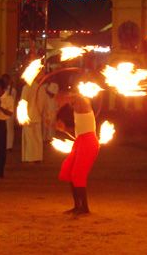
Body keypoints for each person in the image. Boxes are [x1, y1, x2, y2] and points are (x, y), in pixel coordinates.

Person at [54, 85, 99, 215]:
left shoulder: (84, 102)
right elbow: (78, 132)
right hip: (80, 142)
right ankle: (77, 206)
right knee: (68, 170)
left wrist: (67, 98)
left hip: (89, 142)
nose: (58, 101)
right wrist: (64, 130)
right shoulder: (76, 107)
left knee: (78, 174)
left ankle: (84, 208)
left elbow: (79, 97)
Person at [21, 77, 46, 163]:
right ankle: (38, 157)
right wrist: (41, 113)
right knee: (38, 137)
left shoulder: (26, 87)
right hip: (37, 115)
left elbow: (23, 102)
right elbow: (43, 103)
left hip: (28, 116)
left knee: (29, 138)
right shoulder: (41, 88)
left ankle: (30, 157)